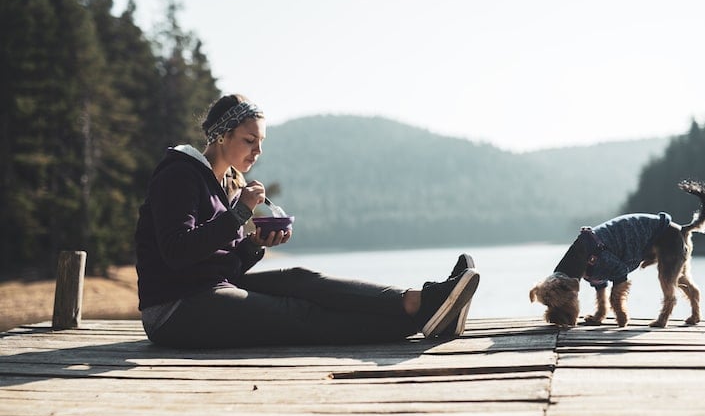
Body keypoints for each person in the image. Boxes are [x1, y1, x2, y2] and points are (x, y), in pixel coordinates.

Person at [134, 94, 480, 348]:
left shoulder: (225, 184)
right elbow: (177, 253)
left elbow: (224, 264)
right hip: (175, 310)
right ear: (222, 135)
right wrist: (239, 214)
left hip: (210, 290)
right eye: (249, 140)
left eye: (261, 142)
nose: (257, 151)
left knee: (302, 279)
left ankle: (418, 300)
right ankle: (421, 319)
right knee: (297, 313)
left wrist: (254, 244)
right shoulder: (180, 174)